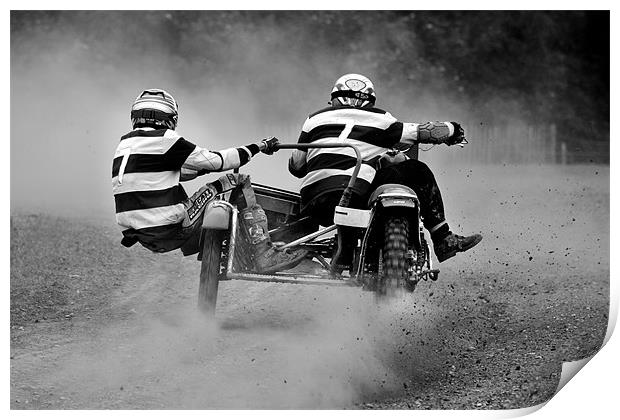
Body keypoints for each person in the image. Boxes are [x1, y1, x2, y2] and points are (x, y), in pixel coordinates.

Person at [288, 74, 482, 263]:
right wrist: (453, 129)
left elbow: (296, 167)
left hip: (315, 202)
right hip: (356, 197)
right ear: (370, 99)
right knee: (417, 170)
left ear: (334, 98)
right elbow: (426, 132)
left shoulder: (314, 119)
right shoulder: (380, 119)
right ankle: (443, 239)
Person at [112, 88, 307, 273]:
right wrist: (259, 146)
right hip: (166, 227)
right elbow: (218, 161)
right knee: (238, 180)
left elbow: (174, 173)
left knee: (210, 186)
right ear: (170, 119)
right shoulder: (165, 139)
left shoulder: (126, 144)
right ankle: (264, 254)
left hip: (139, 232)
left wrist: (202, 170)